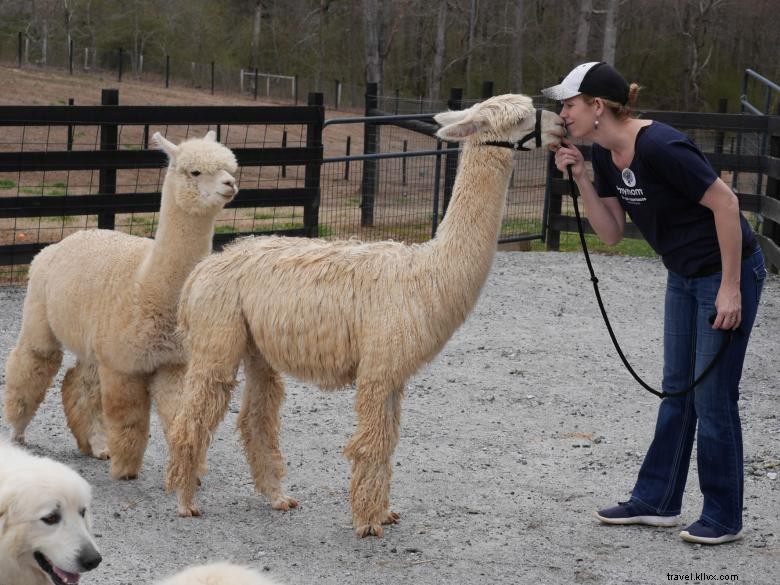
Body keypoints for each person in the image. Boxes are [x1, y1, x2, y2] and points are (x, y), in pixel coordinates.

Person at [542, 62, 767, 545]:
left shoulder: (660, 145)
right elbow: (611, 234)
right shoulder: (603, 154)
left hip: (726, 272)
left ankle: (724, 516)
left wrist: (730, 288)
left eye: (569, 104)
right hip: (683, 275)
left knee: (712, 397)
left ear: (597, 106)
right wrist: (581, 176)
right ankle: (658, 500)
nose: (563, 113)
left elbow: (727, 205)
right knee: (676, 390)